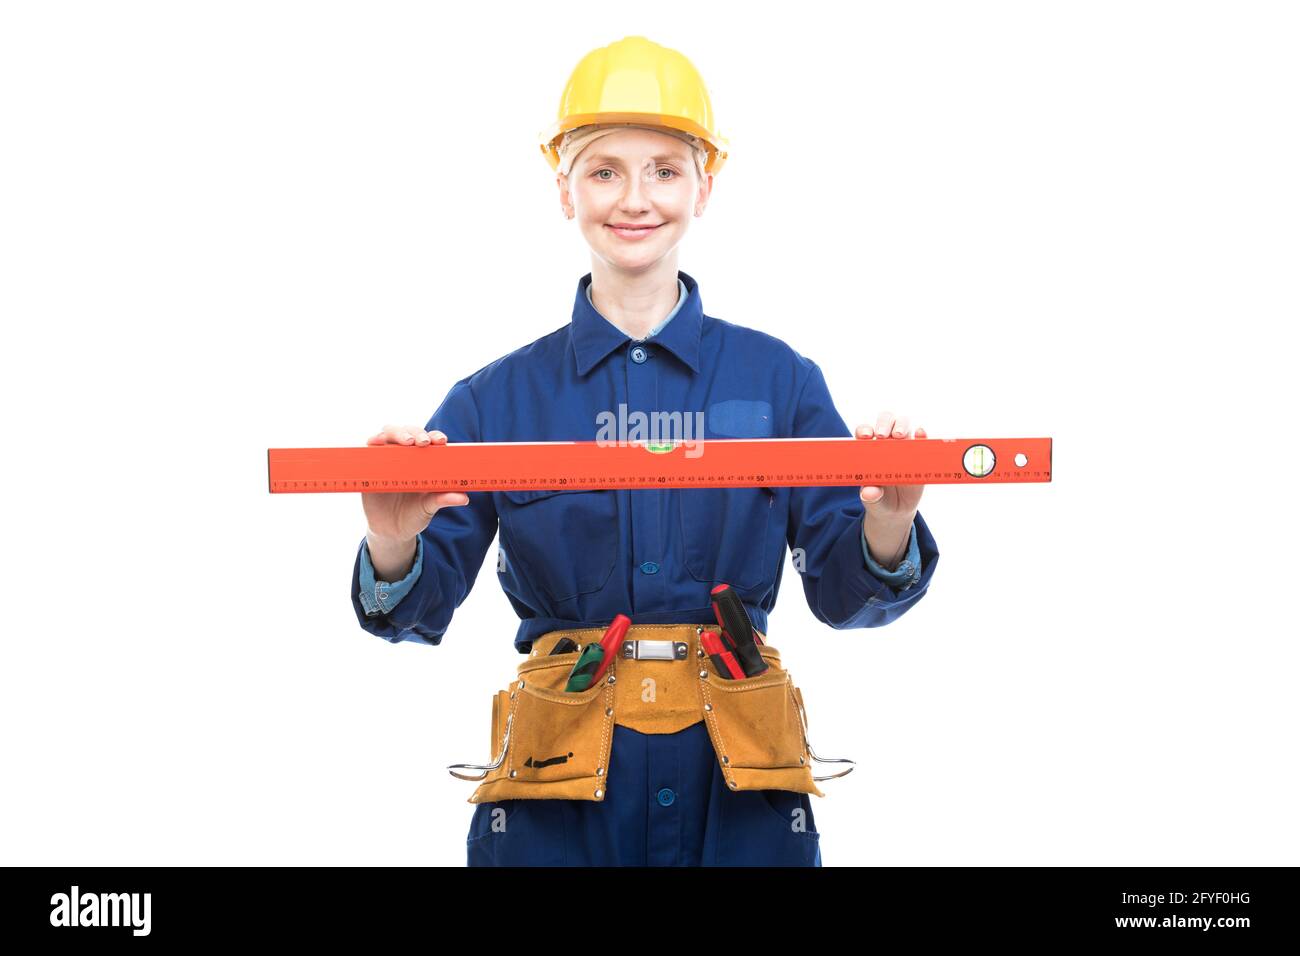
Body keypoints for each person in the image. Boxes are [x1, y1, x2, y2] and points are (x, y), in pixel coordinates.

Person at [351, 36, 939, 866]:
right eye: (604, 171)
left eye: (665, 168)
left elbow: (852, 597)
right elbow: (409, 613)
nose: (635, 198)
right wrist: (393, 539)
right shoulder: (493, 401)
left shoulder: (780, 382)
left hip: (738, 782)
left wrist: (890, 524)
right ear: (564, 191)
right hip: (557, 788)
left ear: (707, 185)